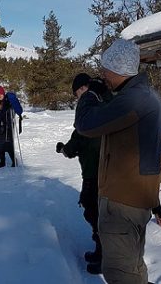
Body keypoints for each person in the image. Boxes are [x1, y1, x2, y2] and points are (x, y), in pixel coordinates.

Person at [74, 38, 161, 283]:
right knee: (132, 267)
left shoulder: (134, 99)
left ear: (119, 69)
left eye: (105, 69)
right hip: (134, 197)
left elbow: (86, 124)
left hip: (122, 200)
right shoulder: (142, 96)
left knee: (120, 273)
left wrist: (89, 95)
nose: (102, 74)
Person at [56, 73, 103, 273]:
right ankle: (101, 251)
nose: (78, 98)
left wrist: (63, 149)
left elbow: (74, 144)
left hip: (94, 172)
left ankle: (104, 256)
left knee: (93, 211)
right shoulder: (106, 102)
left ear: (83, 88)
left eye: (77, 93)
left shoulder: (89, 111)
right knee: (101, 212)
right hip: (110, 172)